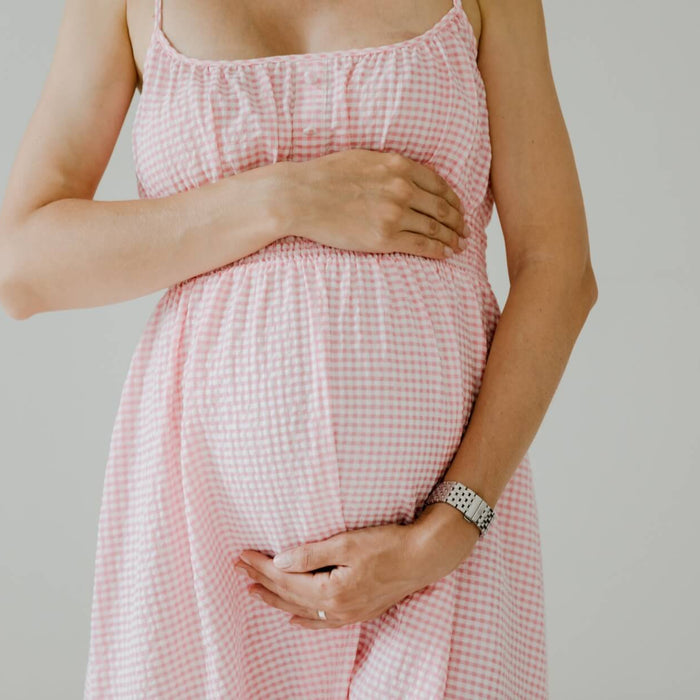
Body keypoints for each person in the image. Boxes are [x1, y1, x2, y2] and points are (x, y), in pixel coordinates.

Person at [0, 0, 597, 697]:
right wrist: (286, 198)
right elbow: (23, 267)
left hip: (440, 552)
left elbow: (557, 267)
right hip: (207, 540)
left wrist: (448, 530)